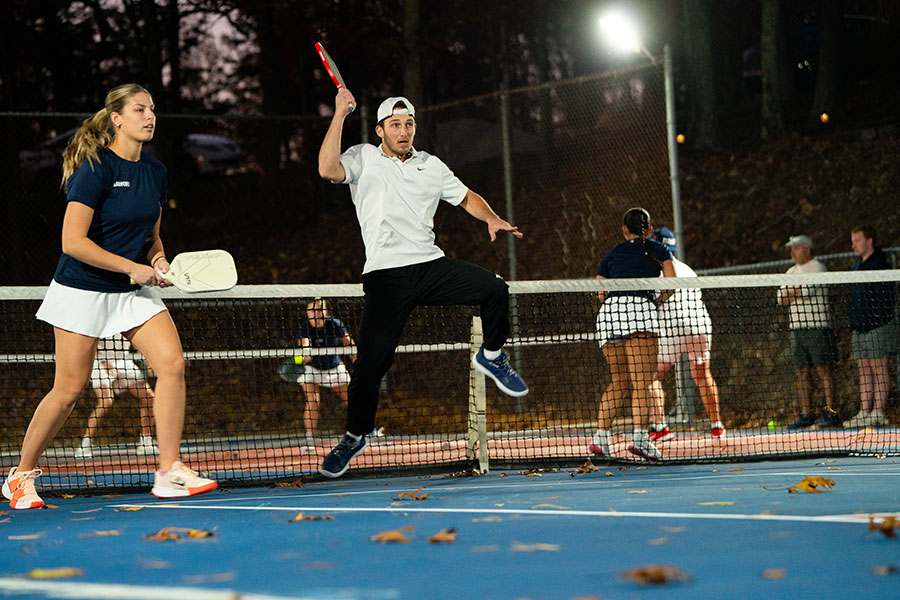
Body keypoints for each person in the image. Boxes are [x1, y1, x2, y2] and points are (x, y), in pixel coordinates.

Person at [2, 84, 216, 510]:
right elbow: (72, 242)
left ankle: (168, 469)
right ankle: (20, 475)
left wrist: (159, 262)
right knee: (70, 388)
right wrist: (131, 266)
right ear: (116, 118)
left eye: (152, 109)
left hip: (131, 289)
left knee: (172, 364)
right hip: (82, 288)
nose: (149, 116)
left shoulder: (155, 172)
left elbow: (152, 238)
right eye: (139, 109)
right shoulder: (94, 167)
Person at [316, 91, 527, 478]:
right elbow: (327, 169)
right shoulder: (362, 157)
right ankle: (355, 435)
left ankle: (493, 356)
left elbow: (465, 197)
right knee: (369, 367)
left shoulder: (430, 165)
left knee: (494, 288)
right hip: (386, 275)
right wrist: (339, 115)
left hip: (430, 265)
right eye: (395, 124)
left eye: (409, 123)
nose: (404, 130)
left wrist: (492, 218)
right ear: (380, 130)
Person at [590, 208, 676, 461]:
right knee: (642, 382)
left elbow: (600, 293)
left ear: (624, 230)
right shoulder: (658, 249)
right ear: (650, 230)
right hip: (639, 311)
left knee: (620, 381)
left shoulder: (611, 254)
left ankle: (600, 439)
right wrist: (658, 300)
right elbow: (673, 283)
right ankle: (639, 439)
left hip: (609, 316)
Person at [647, 227, 725, 442]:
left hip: (673, 326)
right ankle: (717, 426)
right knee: (702, 374)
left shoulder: (656, 270)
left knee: (652, 376)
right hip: (700, 324)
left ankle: (660, 428)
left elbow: (654, 302)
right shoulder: (688, 269)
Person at [775, 235, 838, 430]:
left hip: (817, 327)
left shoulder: (817, 268)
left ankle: (831, 414)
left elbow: (805, 291)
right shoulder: (790, 271)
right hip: (797, 329)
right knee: (801, 372)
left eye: (796, 248)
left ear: (808, 250)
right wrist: (795, 291)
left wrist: (792, 292)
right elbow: (780, 298)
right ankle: (806, 414)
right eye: (792, 248)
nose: (793, 252)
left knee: (823, 370)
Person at [844, 226, 897, 428]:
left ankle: (878, 412)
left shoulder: (880, 265)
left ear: (870, 241)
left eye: (857, 240)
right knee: (864, 369)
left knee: (878, 367)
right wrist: (854, 322)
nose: (853, 245)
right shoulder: (856, 266)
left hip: (876, 327)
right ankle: (864, 411)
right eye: (853, 240)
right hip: (858, 328)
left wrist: (875, 320)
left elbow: (885, 300)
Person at [74, 334, 158, 458]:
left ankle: (146, 443)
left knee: (150, 399)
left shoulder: (130, 318)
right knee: (106, 402)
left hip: (124, 360)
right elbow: (91, 340)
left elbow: (139, 340)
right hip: (100, 360)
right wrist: (105, 361)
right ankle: (84, 445)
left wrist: (149, 362)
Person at [295, 298, 356, 439]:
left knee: (353, 399)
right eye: (312, 311)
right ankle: (309, 438)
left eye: (319, 310)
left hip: (334, 367)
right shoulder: (305, 327)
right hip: (313, 369)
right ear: (308, 313)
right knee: (313, 400)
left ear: (325, 311)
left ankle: (367, 430)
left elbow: (349, 343)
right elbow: (305, 343)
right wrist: (306, 352)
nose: (316, 313)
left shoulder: (335, 324)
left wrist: (358, 362)